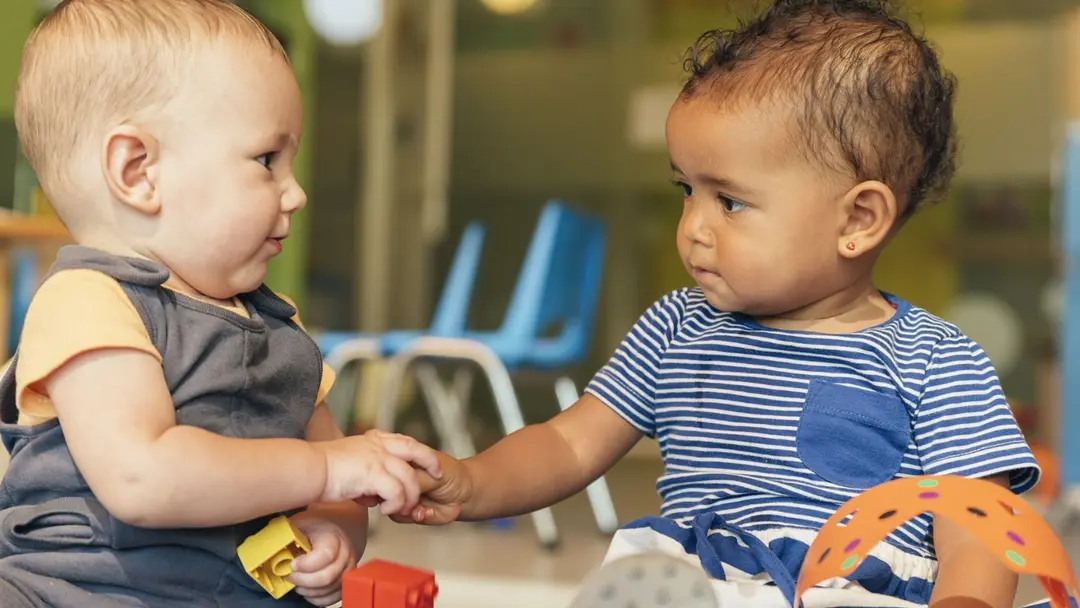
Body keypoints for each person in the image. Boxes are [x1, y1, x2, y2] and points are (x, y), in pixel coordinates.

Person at [406, 1, 1040, 607]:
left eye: (729, 201)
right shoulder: (676, 327)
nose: (694, 227)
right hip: (691, 587)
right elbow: (569, 446)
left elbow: (977, 522)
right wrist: (473, 482)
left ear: (860, 218)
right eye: (686, 189)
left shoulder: (935, 359)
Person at [0, 1, 442, 606]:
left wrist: (336, 528)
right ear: (138, 172)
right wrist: (329, 470)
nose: (297, 192)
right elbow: (143, 476)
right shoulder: (88, 302)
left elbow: (334, 481)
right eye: (267, 161)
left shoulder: (278, 327)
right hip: (78, 593)